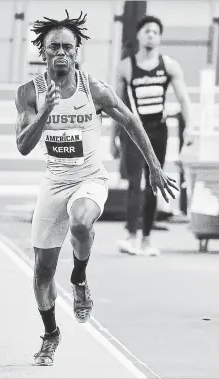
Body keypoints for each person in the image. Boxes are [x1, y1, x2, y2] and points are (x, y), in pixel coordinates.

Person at [15, 10, 178, 366]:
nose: (61, 52)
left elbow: (132, 120)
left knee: (80, 222)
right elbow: (23, 145)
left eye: (67, 47)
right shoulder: (30, 92)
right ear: (43, 50)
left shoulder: (95, 90)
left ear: (77, 52)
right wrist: (45, 113)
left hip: (90, 177)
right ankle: (51, 334)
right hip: (54, 182)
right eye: (53, 46)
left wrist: (154, 167)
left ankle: (79, 278)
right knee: (42, 271)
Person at [110, 15, 192, 257]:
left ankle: (146, 239)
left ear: (160, 37)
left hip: (159, 130)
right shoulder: (126, 66)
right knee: (135, 183)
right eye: (146, 31)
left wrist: (189, 128)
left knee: (154, 182)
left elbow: (184, 99)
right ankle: (131, 237)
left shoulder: (169, 66)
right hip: (134, 132)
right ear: (138, 35)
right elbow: (116, 104)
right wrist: (114, 138)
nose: (150, 35)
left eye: (155, 32)